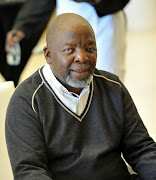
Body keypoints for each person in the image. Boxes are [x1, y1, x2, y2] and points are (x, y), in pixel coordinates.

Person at [5, 13, 156, 180]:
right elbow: (29, 172)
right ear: (48, 55)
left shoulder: (112, 87)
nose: (82, 58)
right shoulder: (27, 100)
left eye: (90, 49)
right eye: (69, 50)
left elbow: (141, 149)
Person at [4, 0, 129, 87]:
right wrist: (22, 26)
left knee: (104, 85)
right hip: (66, 27)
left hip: (103, 26)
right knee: (67, 85)